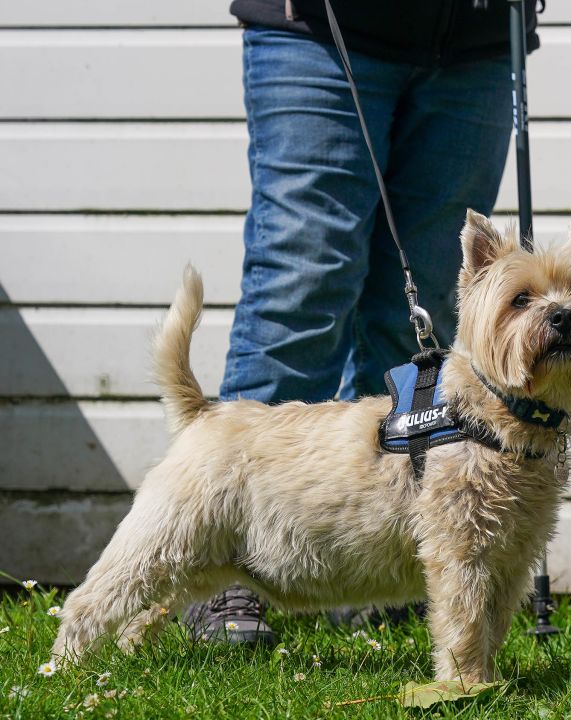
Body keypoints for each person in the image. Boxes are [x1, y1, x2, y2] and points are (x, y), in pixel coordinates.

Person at [182, 0, 538, 646]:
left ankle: (384, 568)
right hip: (321, 25)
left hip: (474, 39)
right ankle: (230, 555)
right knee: (304, 283)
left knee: (420, 308)